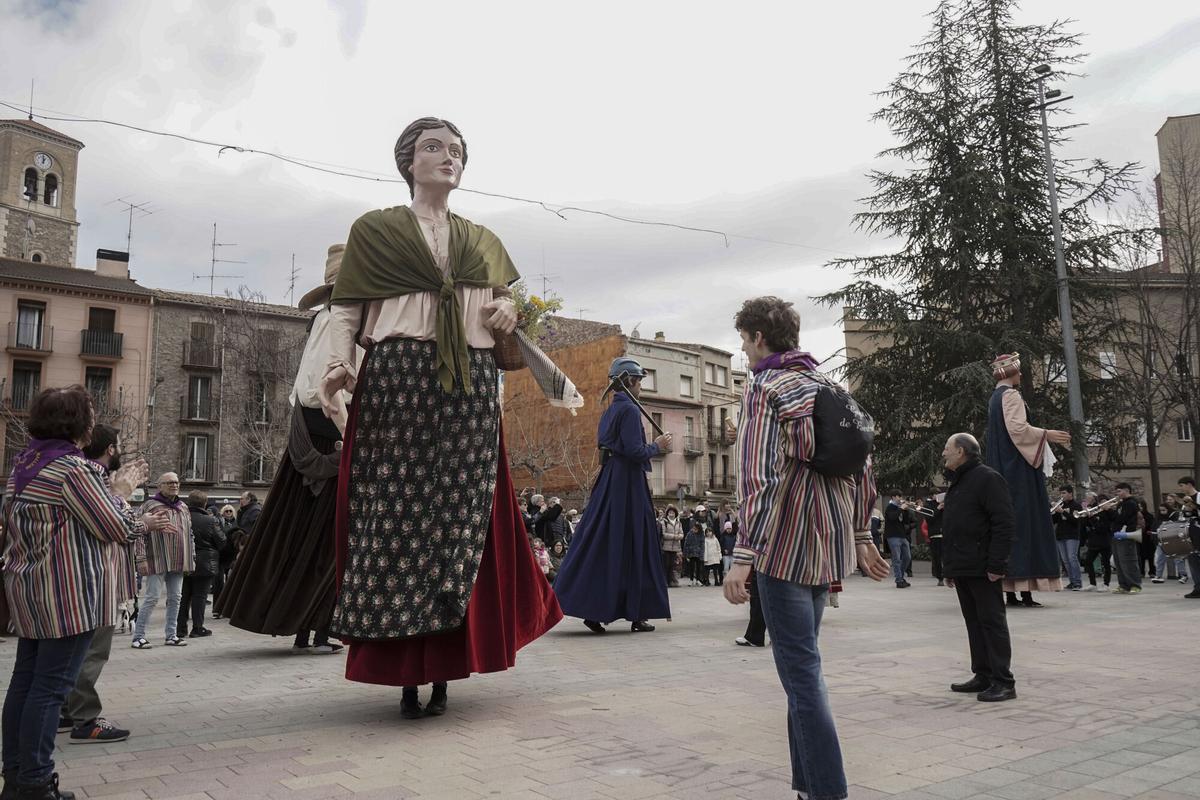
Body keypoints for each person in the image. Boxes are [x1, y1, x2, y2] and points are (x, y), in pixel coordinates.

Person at [318, 117, 562, 718]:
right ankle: (406, 671)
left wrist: (507, 311)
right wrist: (339, 365)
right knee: (392, 518)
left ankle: (447, 667)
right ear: (408, 161)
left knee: (463, 519)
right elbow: (347, 309)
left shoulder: (484, 240)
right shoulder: (374, 230)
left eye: (456, 150)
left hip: (471, 384)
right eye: (434, 147)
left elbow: (505, 302)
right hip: (396, 377)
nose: (448, 157)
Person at [723, 297, 889, 800]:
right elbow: (862, 464)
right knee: (805, 668)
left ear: (758, 337)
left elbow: (759, 476)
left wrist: (744, 552)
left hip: (783, 545)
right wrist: (861, 533)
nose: (744, 350)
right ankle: (808, 785)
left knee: (802, 677)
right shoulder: (827, 385)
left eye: (744, 340)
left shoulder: (766, 387)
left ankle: (827, 792)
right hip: (828, 544)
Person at [1, 387, 146, 799]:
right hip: (68, 595)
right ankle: (35, 782)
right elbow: (117, 527)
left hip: (29, 589)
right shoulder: (73, 469)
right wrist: (121, 492)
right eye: (91, 415)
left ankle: (17, 777)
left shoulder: (23, 465)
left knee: (25, 684)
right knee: (49, 690)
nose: (94, 422)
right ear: (78, 423)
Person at [217, 244, 356, 657]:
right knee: (324, 542)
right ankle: (313, 628)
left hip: (312, 430)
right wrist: (350, 433)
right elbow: (326, 388)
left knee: (307, 539)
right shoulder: (337, 322)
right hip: (327, 431)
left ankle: (307, 628)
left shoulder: (326, 319)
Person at [60, 424, 172, 746]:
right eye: (119, 444)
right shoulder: (87, 477)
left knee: (79, 652)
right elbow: (112, 526)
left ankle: (67, 710)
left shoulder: (82, 476)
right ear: (111, 449)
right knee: (92, 651)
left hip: (87, 579)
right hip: (94, 581)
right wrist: (137, 516)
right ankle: (84, 718)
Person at [554, 356, 672, 633]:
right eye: (639, 380)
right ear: (629, 381)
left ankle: (596, 610)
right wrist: (657, 446)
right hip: (627, 484)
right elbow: (634, 451)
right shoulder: (629, 410)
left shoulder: (611, 411)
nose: (641, 385)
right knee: (636, 543)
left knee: (606, 542)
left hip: (611, 481)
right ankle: (636, 614)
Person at [985, 353, 1070, 608]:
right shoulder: (1011, 395)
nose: (1021, 375)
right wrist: (1046, 434)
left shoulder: (994, 398)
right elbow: (1018, 429)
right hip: (1017, 470)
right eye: (1018, 371)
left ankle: (1011, 592)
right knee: (1026, 524)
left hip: (1002, 467)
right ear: (1011, 372)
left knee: (1009, 527)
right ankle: (1025, 591)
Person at [940, 433, 1018, 703]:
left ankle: (1003, 681)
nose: (943, 453)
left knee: (992, 623)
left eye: (947, 448)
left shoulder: (988, 478)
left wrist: (997, 564)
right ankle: (983, 675)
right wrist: (950, 569)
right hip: (963, 566)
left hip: (984, 567)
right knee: (974, 623)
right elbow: (954, 527)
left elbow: (1004, 523)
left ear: (961, 451)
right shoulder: (958, 482)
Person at [132, 473, 193, 649]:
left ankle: (171, 635)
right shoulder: (149, 506)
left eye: (176, 482)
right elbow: (138, 533)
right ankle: (138, 636)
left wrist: (191, 558)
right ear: (160, 486)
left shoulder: (183, 507)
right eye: (170, 482)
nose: (174, 485)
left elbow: (190, 534)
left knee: (176, 598)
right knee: (152, 598)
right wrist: (141, 559)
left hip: (178, 560)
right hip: (156, 559)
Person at [177, 491, 226, 638]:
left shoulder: (180, 518)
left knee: (183, 596)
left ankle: (180, 629)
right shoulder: (211, 521)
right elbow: (221, 541)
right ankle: (197, 628)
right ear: (205, 504)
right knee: (200, 596)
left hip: (183, 560)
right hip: (205, 562)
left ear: (189, 503)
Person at [1110, 483, 1143, 595]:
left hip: (1126, 534)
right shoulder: (1121, 503)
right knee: (1119, 562)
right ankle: (1123, 585)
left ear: (1126, 490)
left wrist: (1109, 510)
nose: (1117, 493)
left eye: (1119, 491)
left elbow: (1122, 518)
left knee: (1128, 561)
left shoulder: (1131, 503)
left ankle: (1135, 585)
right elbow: (1115, 519)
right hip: (1117, 534)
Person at [1052, 486, 1083, 591]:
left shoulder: (1076, 505)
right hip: (1060, 535)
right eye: (1061, 493)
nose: (1062, 495)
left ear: (1070, 494)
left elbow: (1075, 520)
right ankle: (1072, 581)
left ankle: (1077, 582)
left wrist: (1063, 512)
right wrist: (1054, 512)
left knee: (1072, 558)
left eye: (1064, 493)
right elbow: (1054, 521)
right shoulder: (1061, 505)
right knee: (1065, 561)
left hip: (1072, 535)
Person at [884, 493, 912, 588]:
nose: (901, 498)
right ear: (893, 497)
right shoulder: (890, 507)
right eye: (899, 496)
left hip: (902, 535)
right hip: (893, 536)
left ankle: (901, 576)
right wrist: (901, 508)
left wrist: (906, 510)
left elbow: (906, 521)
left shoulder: (900, 508)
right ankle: (899, 580)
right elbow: (892, 517)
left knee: (907, 557)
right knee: (896, 559)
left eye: (901, 496)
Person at [660, 505, 683, 587]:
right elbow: (663, 534)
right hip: (666, 547)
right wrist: (674, 536)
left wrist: (678, 536)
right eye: (670, 512)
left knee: (672, 565)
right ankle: (665, 581)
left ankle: (670, 581)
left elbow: (681, 534)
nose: (671, 514)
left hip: (675, 547)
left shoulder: (678, 523)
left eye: (673, 513)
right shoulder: (664, 522)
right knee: (666, 565)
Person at [925, 497, 945, 586]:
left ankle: (949, 575)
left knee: (947, 557)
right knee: (937, 558)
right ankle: (940, 577)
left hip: (946, 534)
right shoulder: (929, 505)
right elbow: (929, 519)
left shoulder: (946, 503)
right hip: (935, 535)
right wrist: (938, 509)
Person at [682, 517, 707, 586]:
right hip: (691, 553)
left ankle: (698, 580)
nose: (694, 530)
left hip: (698, 553)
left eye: (696, 529)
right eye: (693, 528)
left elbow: (702, 545)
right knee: (691, 567)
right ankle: (691, 579)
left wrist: (701, 554)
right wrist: (686, 554)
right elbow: (686, 544)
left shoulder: (701, 535)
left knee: (699, 567)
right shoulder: (689, 534)